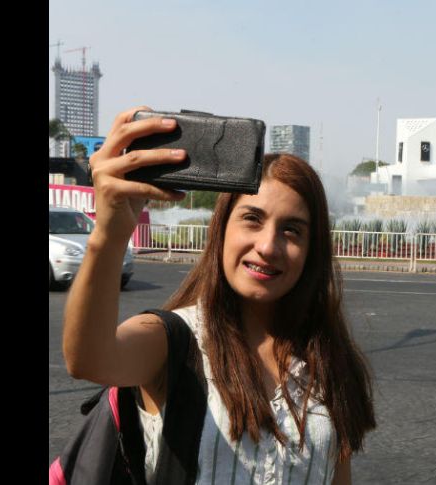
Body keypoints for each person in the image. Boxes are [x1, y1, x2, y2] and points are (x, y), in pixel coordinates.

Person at [62, 106, 376, 484]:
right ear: (221, 230)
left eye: (292, 230)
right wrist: (109, 233)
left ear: (312, 251)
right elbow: (90, 359)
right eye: (252, 219)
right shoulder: (175, 340)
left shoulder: (328, 357)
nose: (268, 246)